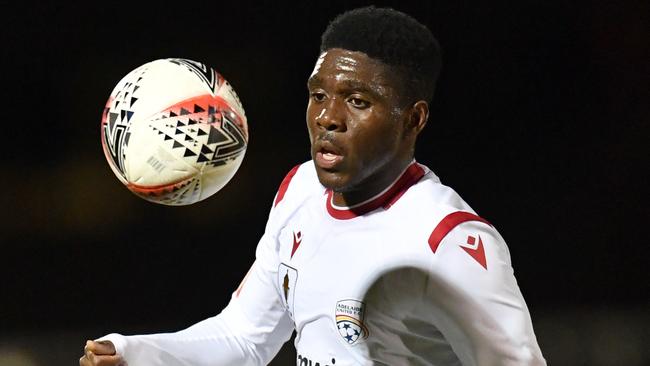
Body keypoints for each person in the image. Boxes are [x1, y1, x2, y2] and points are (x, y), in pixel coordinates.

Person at [80, 6, 546, 366]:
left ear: (414, 119)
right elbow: (244, 337)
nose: (327, 118)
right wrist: (131, 352)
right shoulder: (300, 190)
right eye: (318, 95)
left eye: (358, 101)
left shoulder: (449, 243)